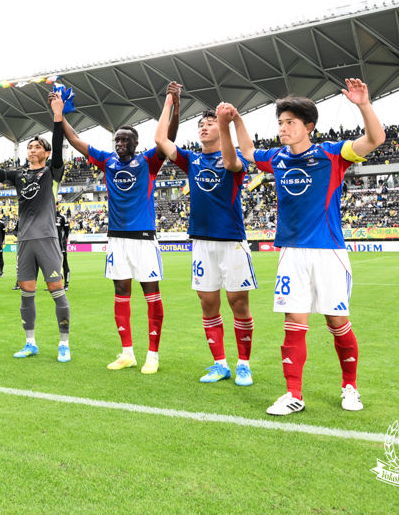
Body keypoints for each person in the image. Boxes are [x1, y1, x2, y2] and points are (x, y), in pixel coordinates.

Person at [233, 78, 384, 416]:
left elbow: (375, 139)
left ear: (308, 127)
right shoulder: (276, 158)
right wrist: (238, 120)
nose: (283, 129)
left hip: (328, 250)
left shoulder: (332, 154)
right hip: (290, 252)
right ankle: (293, 394)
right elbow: (247, 152)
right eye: (280, 123)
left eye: (290, 123)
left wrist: (363, 104)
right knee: (293, 322)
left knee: (337, 322)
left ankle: (350, 386)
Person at [59, 82, 180, 374]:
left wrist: (174, 104)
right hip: (116, 238)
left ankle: (153, 355)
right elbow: (74, 139)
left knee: (151, 294)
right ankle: (127, 353)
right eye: (117, 140)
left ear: (136, 144)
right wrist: (59, 114)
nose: (120, 144)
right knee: (120, 291)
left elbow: (168, 138)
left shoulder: (148, 161)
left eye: (125, 140)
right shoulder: (107, 161)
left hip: (143, 237)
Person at [0, 93, 70, 361]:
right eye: (30, 146)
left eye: (37, 146)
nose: (32, 149)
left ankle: (64, 344)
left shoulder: (52, 172)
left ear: (46, 153)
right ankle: (30, 343)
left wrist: (57, 114)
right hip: (25, 241)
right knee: (26, 294)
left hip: (47, 239)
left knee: (57, 292)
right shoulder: (18, 175)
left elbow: (58, 144)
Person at [154, 96, 256, 388]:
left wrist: (226, 124)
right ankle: (220, 364)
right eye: (201, 124)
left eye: (210, 123)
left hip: (232, 241)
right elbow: (161, 139)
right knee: (208, 303)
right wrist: (169, 103)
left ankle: (244, 365)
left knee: (238, 304)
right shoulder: (191, 160)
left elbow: (230, 162)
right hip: (201, 242)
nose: (203, 127)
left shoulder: (234, 159)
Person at [56, 205, 71, 290]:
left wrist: (63, 241)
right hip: (51, 245)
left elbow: (66, 231)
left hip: (61, 244)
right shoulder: (48, 216)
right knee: (52, 265)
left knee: (64, 263)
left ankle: (66, 284)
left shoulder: (62, 217)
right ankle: (54, 283)